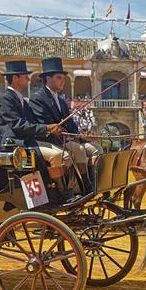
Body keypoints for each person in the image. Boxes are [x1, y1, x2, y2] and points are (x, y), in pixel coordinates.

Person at [0, 59, 76, 194]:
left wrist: (49, 128)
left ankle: (65, 189)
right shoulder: (6, 98)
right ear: (15, 78)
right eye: (25, 76)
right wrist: (46, 128)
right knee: (58, 156)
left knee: (64, 154)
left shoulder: (21, 99)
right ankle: (60, 192)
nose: (28, 79)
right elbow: (17, 125)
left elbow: (32, 123)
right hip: (16, 144)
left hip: (28, 141)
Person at [30, 57, 100, 194]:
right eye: (59, 77)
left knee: (96, 148)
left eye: (63, 78)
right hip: (52, 140)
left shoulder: (61, 100)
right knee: (78, 149)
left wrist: (80, 134)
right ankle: (82, 186)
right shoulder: (37, 98)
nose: (63, 81)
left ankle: (96, 180)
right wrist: (67, 135)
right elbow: (45, 122)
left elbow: (70, 123)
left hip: (68, 139)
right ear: (48, 78)